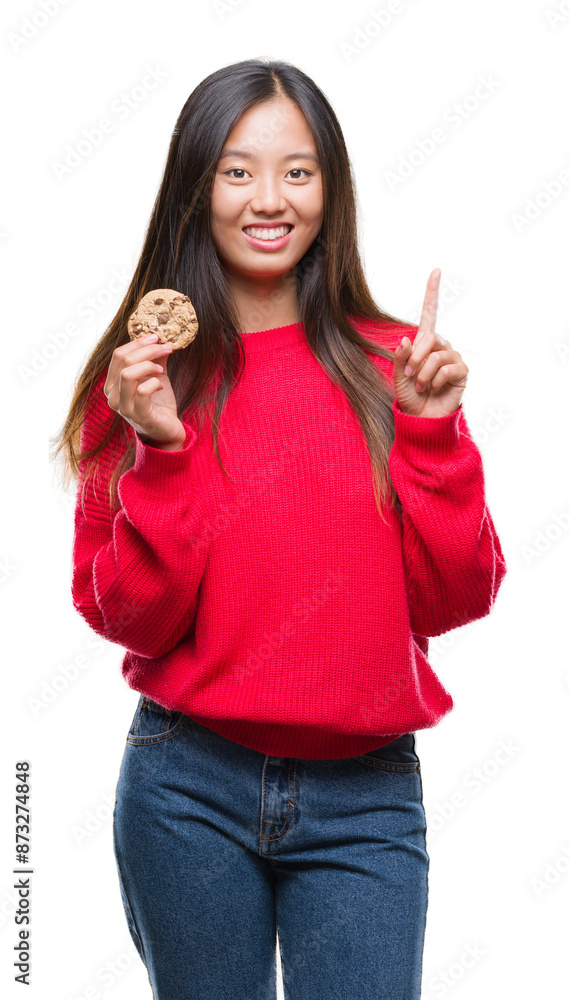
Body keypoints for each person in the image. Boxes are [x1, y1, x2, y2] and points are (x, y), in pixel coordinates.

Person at [54, 58, 507, 1000]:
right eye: (237, 169)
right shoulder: (141, 380)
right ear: (196, 188)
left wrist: (428, 435)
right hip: (186, 787)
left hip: (367, 798)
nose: (270, 198)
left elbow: (457, 596)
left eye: (297, 171)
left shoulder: (397, 368)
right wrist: (163, 450)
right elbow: (130, 619)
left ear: (330, 190)